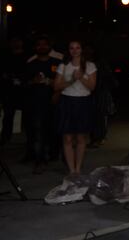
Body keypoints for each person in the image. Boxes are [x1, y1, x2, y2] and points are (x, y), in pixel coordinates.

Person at [54, 39, 97, 175]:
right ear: (68, 50)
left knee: (80, 137)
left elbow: (92, 87)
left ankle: (78, 168)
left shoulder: (90, 66)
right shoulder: (64, 66)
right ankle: (71, 169)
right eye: (72, 48)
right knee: (67, 138)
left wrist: (81, 78)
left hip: (83, 102)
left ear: (81, 49)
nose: (75, 50)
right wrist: (72, 80)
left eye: (77, 48)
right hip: (67, 102)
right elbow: (56, 86)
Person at [23, 35, 62, 173]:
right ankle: (40, 161)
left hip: (55, 103)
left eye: (44, 44)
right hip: (36, 104)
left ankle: (54, 156)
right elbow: (24, 84)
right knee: (38, 132)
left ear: (49, 46)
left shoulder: (58, 62)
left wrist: (53, 85)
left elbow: (63, 83)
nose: (42, 47)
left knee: (55, 131)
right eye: (39, 45)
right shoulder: (31, 64)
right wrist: (33, 81)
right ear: (35, 47)